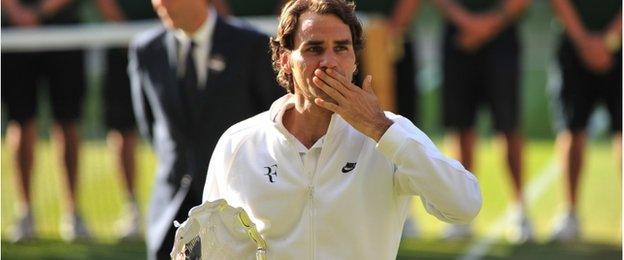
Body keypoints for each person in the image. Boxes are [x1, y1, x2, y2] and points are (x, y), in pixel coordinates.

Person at [202, 0, 482, 258]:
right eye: (314, 48)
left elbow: (464, 205)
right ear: (285, 61)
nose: (329, 62)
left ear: (355, 60)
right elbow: (212, 244)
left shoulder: (390, 132)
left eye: (341, 48)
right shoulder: (240, 143)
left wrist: (380, 129)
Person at [127, 0, 283, 258]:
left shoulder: (252, 45)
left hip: (237, 204)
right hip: (169, 211)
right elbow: (150, 126)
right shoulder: (146, 50)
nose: (159, 4)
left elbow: (271, 125)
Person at [432, 0, 532, 242]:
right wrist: (466, 22)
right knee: (460, 127)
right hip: (458, 36)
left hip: (502, 38)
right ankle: (460, 211)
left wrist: (487, 24)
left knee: (509, 126)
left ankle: (520, 209)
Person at [2, 0, 90, 242]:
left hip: (62, 27)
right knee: (20, 121)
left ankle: (73, 213)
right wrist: (15, 11)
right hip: (15, 31)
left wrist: (41, 12)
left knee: (68, 121)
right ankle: (25, 213)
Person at [549, 0, 621, 243]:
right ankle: (570, 213)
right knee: (571, 128)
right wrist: (584, 41)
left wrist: (611, 38)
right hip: (574, 44)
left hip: (619, 43)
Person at [95, 0, 157, 240]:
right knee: (122, 129)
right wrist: (126, 36)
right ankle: (132, 209)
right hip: (121, 46)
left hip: (169, 42)